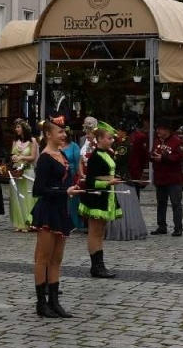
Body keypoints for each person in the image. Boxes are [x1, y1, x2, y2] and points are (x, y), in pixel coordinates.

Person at [31, 116, 81, 317]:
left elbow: (64, 181)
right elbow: (38, 189)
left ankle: (54, 301)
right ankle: (41, 303)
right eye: (60, 132)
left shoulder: (61, 154)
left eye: (64, 132)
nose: (64, 135)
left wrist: (72, 188)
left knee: (57, 258)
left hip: (62, 209)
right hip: (47, 210)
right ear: (48, 134)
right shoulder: (45, 158)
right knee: (43, 257)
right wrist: (64, 192)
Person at [78, 121, 123, 277]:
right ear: (100, 139)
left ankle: (99, 265)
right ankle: (96, 266)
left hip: (106, 196)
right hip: (97, 197)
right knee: (95, 231)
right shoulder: (95, 156)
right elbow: (90, 181)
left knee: (100, 231)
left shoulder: (108, 154)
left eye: (112, 138)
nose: (111, 141)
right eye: (109, 138)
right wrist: (108, 182)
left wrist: (114, 178)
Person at [149, 122, 183, 237]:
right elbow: (151, 153)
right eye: (157, 129)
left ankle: (178, 228)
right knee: (161, 203)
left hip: (173, 178)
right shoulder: (157, 141)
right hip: (160, 178)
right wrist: (152, 156)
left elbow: (180, 156)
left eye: (160, 129)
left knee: (176, 203)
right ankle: (161, 226)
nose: (158, 131)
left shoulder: (177, 141)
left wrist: (164, 158)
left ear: (167, 130)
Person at [8, 119, 37, 232]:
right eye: (16, 128)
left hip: (27, 171)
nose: (16, 129)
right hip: (17, 171)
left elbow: (33, 157)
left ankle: (28, 221)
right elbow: (12, 154)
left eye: (18, 127)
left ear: (24, 128)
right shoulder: (15, 141)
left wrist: (22, 158)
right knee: (17, 195)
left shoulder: (32, 141)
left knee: (28, 195)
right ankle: (19, 222)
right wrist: (14, 158)